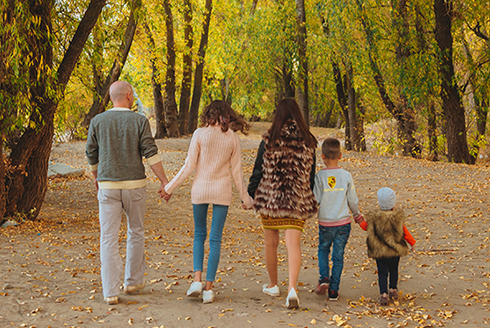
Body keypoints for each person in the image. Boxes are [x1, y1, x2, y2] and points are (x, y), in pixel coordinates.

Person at [85, 81, 169, 305]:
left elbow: (91, 153)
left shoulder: (97, 121)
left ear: (112, 97)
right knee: (136, 231)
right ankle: (132, 281)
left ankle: (110, 291)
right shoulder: (139, 121)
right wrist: (164, 181)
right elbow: (150, 153)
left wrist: (96, 176)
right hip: (134, 187)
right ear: (129, 96)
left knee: (108, 239)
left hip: (108, 187)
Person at [163, 100, 253, 304]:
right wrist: (246, 199)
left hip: (200, 190)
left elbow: (189, 166)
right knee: (215, 240)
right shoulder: (232, 138)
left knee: (199, 235)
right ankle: (209, 288)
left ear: (208, 114)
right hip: (222, 191)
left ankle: (196, 281)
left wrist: (169, 188)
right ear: (227, 114)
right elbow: (237, 172)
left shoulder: (199, 134)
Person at [248, 98, 317, 309]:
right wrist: (308, 194)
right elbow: (311, 175)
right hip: (297, 199)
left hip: (271, 198)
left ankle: (273, 284)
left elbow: (258, 169)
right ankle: (292, 290)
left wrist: (252, 193)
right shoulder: (308, 140)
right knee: (292, 244)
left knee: (271, 242)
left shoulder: (269, 139)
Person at [313, 137, 362, 301]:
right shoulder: (346, 176)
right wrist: (357, 216)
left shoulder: (319, 176)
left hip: (325, 222)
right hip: (343, 223)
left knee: (323, 250)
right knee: (338, 256)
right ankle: (333, 290)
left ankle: (324, 277)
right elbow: (352, 200)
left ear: (322, 156)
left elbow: (316, 200)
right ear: (341, 155)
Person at [355, 187, 416, 305]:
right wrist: (412, 242)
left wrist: (359, 221)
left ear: (379, 203)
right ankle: (393, 289)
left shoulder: (374, 218)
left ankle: (383, 294)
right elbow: (404, 232)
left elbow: (364, 226)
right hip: (394, 250)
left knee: (382, 272)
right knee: (394, 270)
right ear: (393, 205)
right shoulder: (397, 219)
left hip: (380, 251)